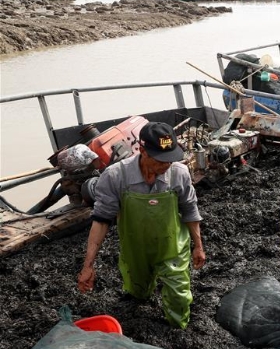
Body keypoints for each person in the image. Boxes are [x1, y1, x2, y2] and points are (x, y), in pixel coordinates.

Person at [77, 122, 205, 329]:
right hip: (135, 248)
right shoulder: (116, 176)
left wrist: (198, 246)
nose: (166, 165)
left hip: (172, 247)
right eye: (161, 160)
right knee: (138, 291)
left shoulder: (179, 174)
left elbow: (190, 210)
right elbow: (101, 220)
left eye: (170, 159)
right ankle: (141, 292)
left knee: (179, 296)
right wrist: (88, 265)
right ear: (142, 150)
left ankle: (178, 327)